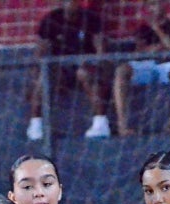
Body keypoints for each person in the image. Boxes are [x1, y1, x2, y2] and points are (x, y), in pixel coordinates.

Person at [26, 0, 112, 140]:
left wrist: (97, 64)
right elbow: (40, 51)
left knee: (85, 73)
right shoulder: (51, 19)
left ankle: (100, 123)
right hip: (60, 67)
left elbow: (101, 49)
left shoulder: (91, 18)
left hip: (85, 65)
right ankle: (35, 125)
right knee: (44, 77)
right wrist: (37, 71)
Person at [113, 0, 170, 136]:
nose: (154, 8)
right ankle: (122, 125)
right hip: (146, 65)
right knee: (121, 70)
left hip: (167, 65)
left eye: (156, 4)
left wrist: (158, 30)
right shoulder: (143, 28)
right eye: (151, 5)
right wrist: (159, 47)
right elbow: (140, 52)